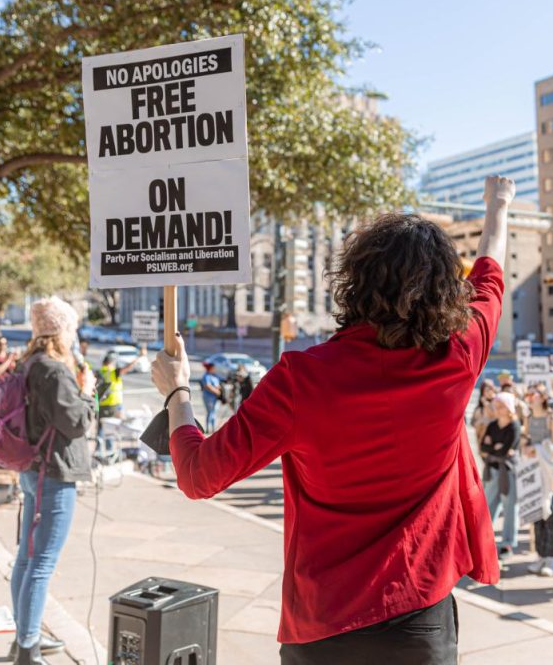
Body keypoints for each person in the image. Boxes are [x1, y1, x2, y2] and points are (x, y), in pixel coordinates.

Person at [151, 175, 517, 663]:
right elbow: (491, 273)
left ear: (354, 283)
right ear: (444, 291)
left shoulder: (302, 379)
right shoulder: (458, 355)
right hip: (420, 618)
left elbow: (199, 475)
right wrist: (499, 205)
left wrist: (178, 391)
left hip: (323, 625)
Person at [10, 297, 96, 664]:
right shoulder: (54, 371)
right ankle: (28, 647)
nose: (74, 335)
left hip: (33, 469)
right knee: (41, 562)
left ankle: (23, 637)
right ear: (60, 330)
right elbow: (76, 422)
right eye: (71, 328)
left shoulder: (28, 363)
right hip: (54, 472)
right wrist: (89, 392)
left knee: (26, 559)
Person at [523, 386, 553, 576]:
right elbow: (525, 440)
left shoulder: (551, 418)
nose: (530, 398)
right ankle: (540, 555)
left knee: (552, 514)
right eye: (528, 395)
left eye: (534, 394)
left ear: (543, 397)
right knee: (537, 513)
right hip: (534, 472)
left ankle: (552, 558)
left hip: (550, 473)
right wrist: (527, 449)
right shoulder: (528, 418)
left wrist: (538, 448)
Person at [483, 392, 522, 560]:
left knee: (509, 506)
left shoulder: (514, 426)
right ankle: (484, 539)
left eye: (500, 406)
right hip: (492, 469)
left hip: (508, 471)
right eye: (496, 406)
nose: (497, 409)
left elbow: (505, 450)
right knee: (487, 506)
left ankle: (507, 543)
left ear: (508, 408)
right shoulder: (492, 425)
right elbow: (483, 447)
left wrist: (494, 449)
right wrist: (495, 449)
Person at [96, 346, 144, 420]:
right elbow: (128, 367)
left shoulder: (98, 372)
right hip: (113, 404)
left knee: (102, 426)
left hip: (101, 404)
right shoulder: (113, 372)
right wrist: (139, 356)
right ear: (111, 362)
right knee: (114, 427)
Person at [199, 360, 222, 431]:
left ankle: (213, 427)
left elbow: (218, 385)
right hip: (209, 397)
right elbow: (207, 386)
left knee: (214, 411)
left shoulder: (214, 376)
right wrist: (216, 391)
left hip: (215, 397)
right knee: (210, 411)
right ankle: (208, 428)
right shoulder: (206, 376)